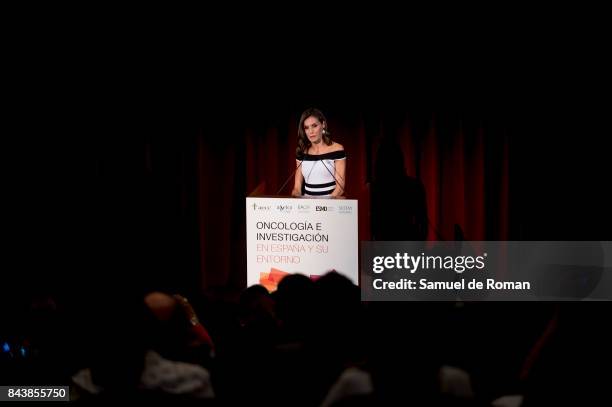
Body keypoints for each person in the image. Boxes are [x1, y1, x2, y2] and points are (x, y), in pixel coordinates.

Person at [292, 108, 346, 198]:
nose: (311, 131)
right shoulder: (302, 151)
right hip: (307, 208)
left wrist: (324, 205)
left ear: (323, 125)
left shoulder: (337, 149)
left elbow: (340, 187)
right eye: (306, 127)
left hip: (330, 207)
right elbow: (297, 187)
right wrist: (296, 197)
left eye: (314, 126)